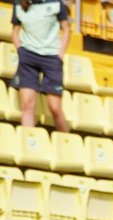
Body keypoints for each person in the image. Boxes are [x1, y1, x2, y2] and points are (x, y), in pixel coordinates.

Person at [12, 0, 72, 132]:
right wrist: (20, 50)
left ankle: (68, 144)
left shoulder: (56, 3)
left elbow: (67, 29)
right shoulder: (18, 4)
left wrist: (60, 55)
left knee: (55, 108)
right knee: (27, 104)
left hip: (51, 58)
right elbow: (15, 31)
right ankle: (28, 146)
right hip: (28, 56)